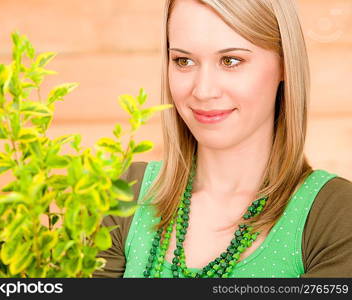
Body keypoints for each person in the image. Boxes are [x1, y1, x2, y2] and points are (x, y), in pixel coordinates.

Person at [92, 0, 352, 278]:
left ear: (284, 63)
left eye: (230, 61)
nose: (203, 91)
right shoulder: (124, 193)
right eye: (184, 61)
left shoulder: (335, 215)